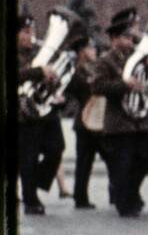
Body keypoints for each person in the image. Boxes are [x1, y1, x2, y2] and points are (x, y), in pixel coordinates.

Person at [89, 7, 148, 217]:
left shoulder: (139, 58)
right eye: (126, 37)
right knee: (123, 163)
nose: (131, 41)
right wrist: (124, 84)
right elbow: (98, 86)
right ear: (114, 39)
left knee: (147, 156)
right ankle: (124, 203)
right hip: (119, 121)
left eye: (131, 37)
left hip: (140, 119)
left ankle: (131, 192)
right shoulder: (106, 60)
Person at [16, 12, 69, 216]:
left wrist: (54, 86)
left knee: (57, 148)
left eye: (33, 30)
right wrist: (39, 72)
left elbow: (47, 79)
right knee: (28, 156)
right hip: (24, 114)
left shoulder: (39, 52)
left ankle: (34, 180)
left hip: (46, 111)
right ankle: (31, 200)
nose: (31, 35)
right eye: (26, 31)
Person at [64, 37, 103, 210]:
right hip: (85, 120)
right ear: (81, 52)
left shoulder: (97, 68)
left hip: (101, 120)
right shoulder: (76, 71)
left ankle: (117, 193)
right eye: (90, 48)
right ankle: (81, 197)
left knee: (112, 158)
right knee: (84, 161)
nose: (94, 51)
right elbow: (76, 89)